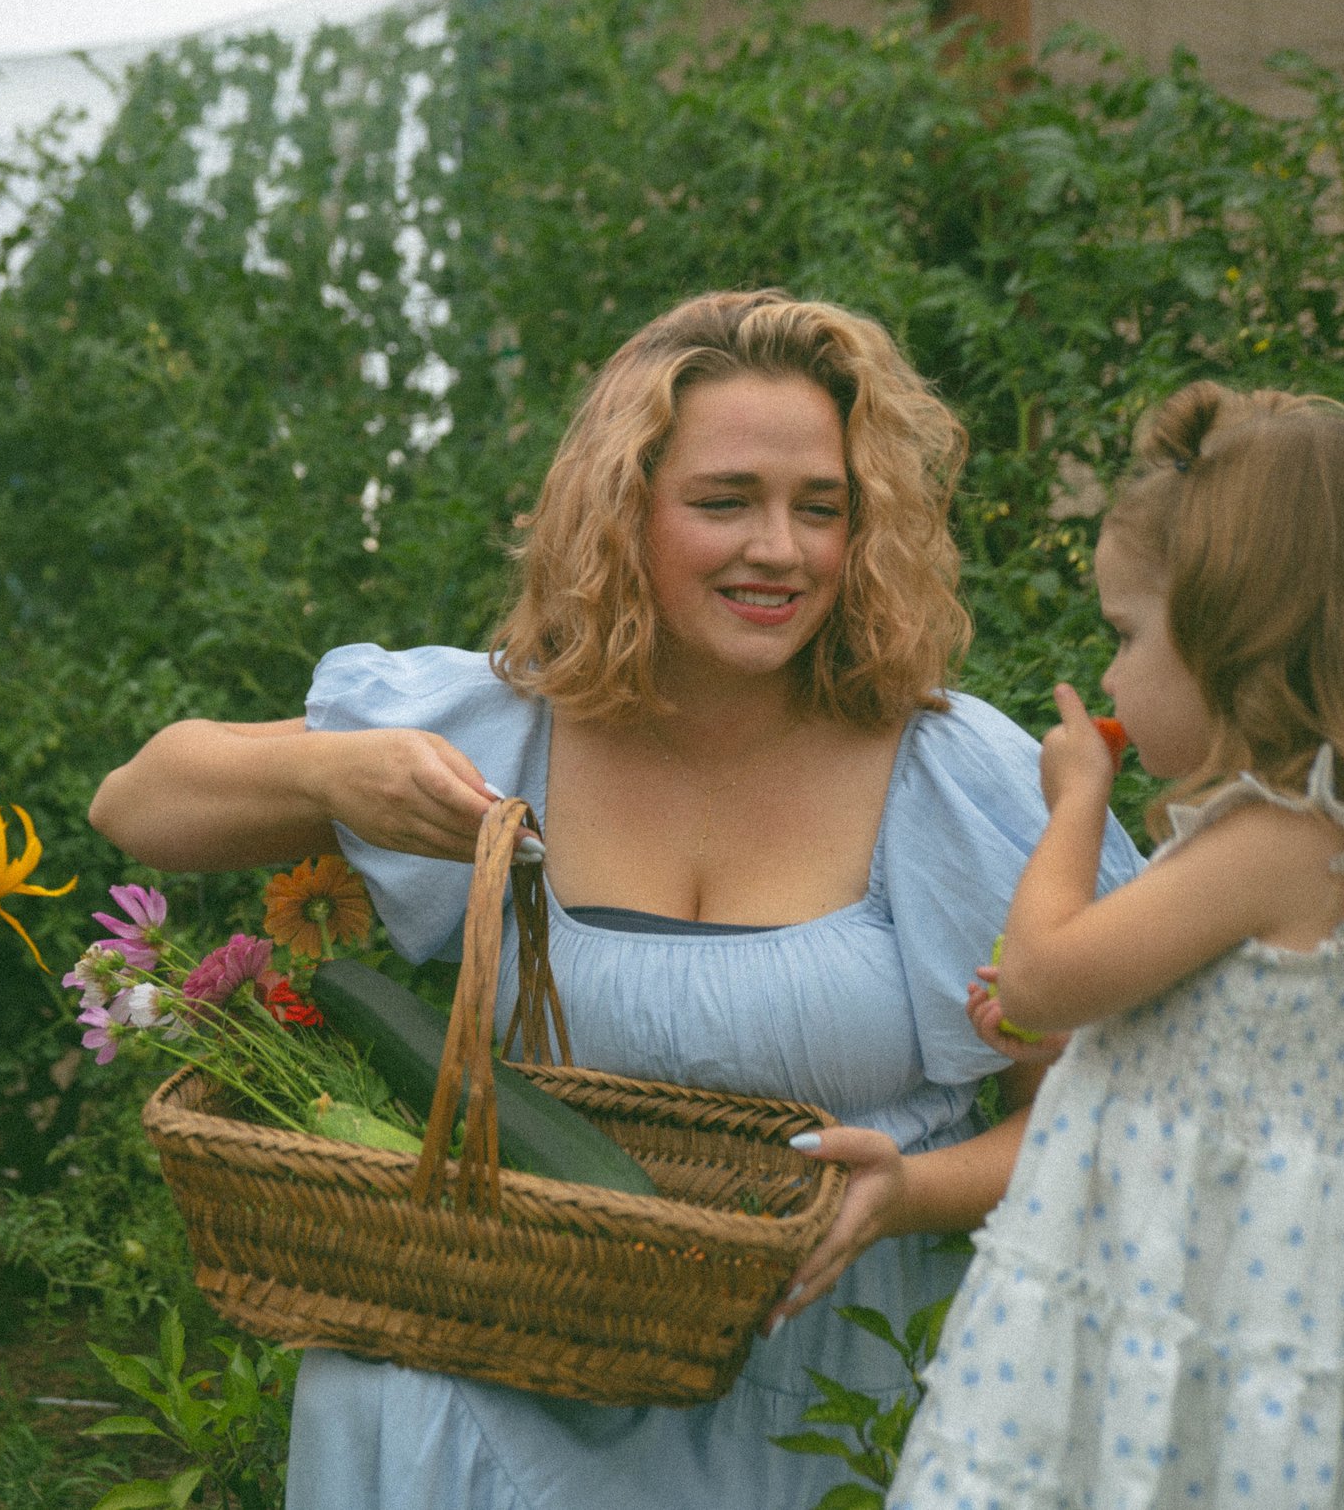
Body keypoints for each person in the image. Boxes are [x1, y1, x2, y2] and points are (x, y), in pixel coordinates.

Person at [90, 289, 1142, 1509]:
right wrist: (332, 772)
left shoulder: (950, 773)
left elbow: (1096, 1115)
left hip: (847, 1359)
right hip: (548, 1339)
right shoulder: (515, 729)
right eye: (723, 501)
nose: (780, 550)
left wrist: (908, 1195)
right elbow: (139, 801)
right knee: (382, 1387)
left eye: (822, 508)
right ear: (624, 509)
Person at [892, 384, 1344, 1508]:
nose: (1106, 677)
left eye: (1126, 634)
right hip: (1239, 1260)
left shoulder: (1276, 840)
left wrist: (1069, 802)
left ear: (1240, 639)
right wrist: (1053, 1025)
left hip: (1213, 1269)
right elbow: (1132, 1015)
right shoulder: (1310, 842)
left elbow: (1044, 966)